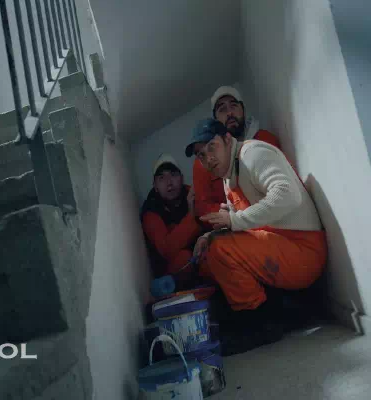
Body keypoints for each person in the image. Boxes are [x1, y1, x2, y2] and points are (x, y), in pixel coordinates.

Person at [185, 119, 327, 355]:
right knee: (211, 250)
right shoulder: (230, 175)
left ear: (227, 140)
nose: (208, 158)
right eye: (201, 155)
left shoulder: (252, 154)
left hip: (304, 250)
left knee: (221, 249)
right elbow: (241, 222)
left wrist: (233, 221)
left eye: (211, 147)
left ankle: (259, 325)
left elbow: (287, 195)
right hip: (282, 246)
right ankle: (270, 311)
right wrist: (211, 233)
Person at [192, 86, 281, 227]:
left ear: (243, 109)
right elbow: (202, 207)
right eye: (222, 109)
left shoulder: (263, 140)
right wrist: (226, 214)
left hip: (273, 220)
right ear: (215, 120)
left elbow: (284, 191)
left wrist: (237, 217)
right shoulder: (203, 161)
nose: (229, 113)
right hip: (234, 224)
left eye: (233, 106)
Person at [140, 154, 202, 289]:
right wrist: (191, 216)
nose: (169, 182)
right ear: (155, 186)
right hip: (172, 271)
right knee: (184, 257)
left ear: (182, 178)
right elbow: (167, 250)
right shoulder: (151, 210)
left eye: (173, 175)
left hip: (200, 254)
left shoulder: (191, 193)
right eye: (162, 178)